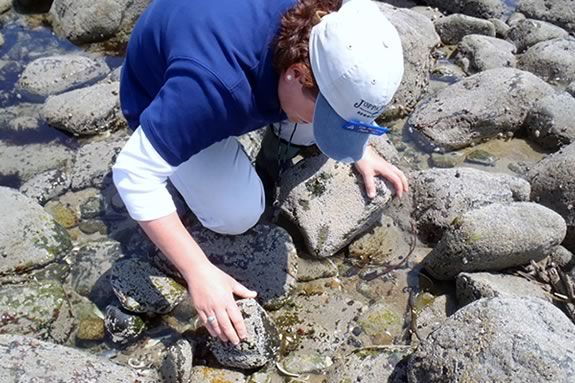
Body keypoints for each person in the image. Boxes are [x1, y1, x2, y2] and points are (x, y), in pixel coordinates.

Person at [112, 0, 408, 346]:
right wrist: (198, 271)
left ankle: (293, 125)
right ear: (297, 73)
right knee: (237, 213)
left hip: (231, 51)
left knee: (307, 123)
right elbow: (133, 173)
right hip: (157, 86)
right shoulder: (210, 88)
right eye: (329, 117)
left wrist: (357, 144)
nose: (326, 127)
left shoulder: (339, 15)